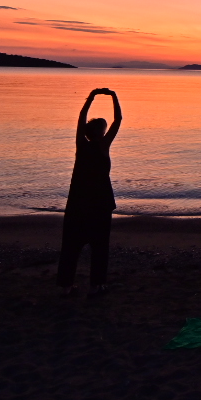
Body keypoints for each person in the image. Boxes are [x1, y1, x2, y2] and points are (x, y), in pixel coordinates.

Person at [57, 87, 121, 297]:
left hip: (78, 202)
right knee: (100, 245)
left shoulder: (81, 145)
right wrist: (113, 96)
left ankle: (66, 286)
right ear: (100, 133)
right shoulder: (103, 146)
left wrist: (91, 97)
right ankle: (97, 284)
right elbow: (118, 119)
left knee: (71, 246)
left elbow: (81, 118)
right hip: (100, 203)